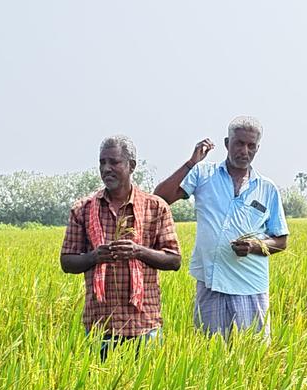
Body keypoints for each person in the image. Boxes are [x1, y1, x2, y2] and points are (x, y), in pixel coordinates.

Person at [153, 116, 288, 338]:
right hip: (211, 285)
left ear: (258, 148)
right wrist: (190, 163)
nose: (245, 150)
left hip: (251, 287)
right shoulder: (203, 174)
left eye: (251, 145)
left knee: (252, 360)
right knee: (210, 358)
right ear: (227, 143)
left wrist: (254, 246)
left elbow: (281, 242)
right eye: (239, 143)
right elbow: (160, 198)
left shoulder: (267, 188)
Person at [61, 136, 180, 358]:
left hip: (144, 325)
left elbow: (174, 260)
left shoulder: (155, 207)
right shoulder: (83, 209)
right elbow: (67, 261)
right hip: (100, 325)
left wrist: (138, 251)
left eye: (114, 162)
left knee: (146, 389)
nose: (106, 168)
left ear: (131, 166)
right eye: (102, 162)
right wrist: (95, 257)